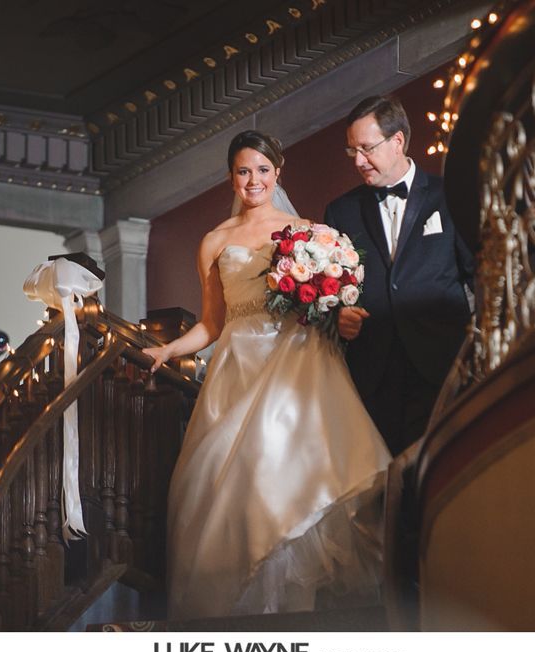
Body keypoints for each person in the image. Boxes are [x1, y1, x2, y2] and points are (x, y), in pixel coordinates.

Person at [143, 130, 391, 620]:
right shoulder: (214, 241)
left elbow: (329, 306)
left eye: (261, 170)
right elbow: (212, 323)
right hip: (238, 365)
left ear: (278, 172)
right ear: (231, 178)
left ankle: (303, 612)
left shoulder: (309, 233)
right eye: (243, 171)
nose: (252, 180)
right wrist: (170, 348)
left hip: (297, 361)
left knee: (289, 468)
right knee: (233, 484)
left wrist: (341, 314)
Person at [325, 96, 475, 457]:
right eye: (352, 151)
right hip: (374, 375)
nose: (358, 160)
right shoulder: (341, 211)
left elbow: (480, 275)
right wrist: (338, 316)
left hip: (444, 366)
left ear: (398, 141)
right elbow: (330, 293)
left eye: (366, 148)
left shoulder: (449, 194)